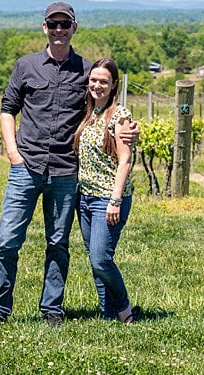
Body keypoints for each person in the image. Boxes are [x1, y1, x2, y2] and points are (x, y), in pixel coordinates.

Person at [0, 2, 139, 327]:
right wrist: (13, 152)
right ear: (44, 27)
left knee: (58, 243)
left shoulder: (85, 70)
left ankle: (52, 309)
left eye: (64, 24)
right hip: (26, 167)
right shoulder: (26, 66)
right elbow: (7, 108)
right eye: (53, 24)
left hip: (66, 171)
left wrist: (128, 128)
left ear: (74, 28)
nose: (58, 29)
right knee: (7, 240)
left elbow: (105, 101)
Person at [74, 58, 137, 323]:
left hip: (107, 199)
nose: (97, 85)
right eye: (94, 80)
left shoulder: (120, 116)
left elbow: (125, 159)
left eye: (104, 81)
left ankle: (123, 309)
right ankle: (107, 314)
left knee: (101, 259)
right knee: (94, 258)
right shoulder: (88, 112)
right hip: (84, 197)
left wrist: (115, 199)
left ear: (114, 86)